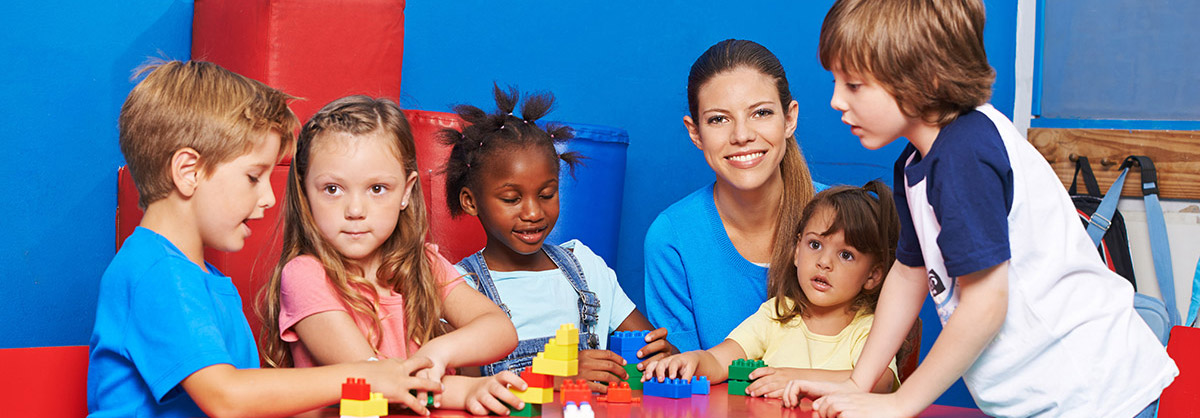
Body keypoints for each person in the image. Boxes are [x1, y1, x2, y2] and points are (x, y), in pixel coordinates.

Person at [783, 1, 1179, 417]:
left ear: (926, 78)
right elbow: (908, 273)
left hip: (1095, 396)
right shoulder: (916, 163)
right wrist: (856, 383)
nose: (835, 101)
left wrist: (901, 403)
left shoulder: (963, 153)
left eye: (854, 85)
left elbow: (987, 304)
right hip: (1044, 399)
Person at [88, 61, 442, 418]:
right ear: (188, 172)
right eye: (254, 177)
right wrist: (364, 375)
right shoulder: (158, 273)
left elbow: (255, 402)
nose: (269, 199)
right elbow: (227, 398)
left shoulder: (196, 276)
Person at [259, 95, 523, 416]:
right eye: (332, 189)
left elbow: (499, 329)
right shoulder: (305, 275)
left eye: (377, 189)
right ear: (305, 192)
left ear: (406, 192)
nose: (355, 210)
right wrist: (466, 389)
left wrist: (439, 352)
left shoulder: (423, 264)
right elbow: (375, 378)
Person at [444, 85, 676, 393]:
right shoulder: (460, 287)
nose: (533, 212)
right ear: (471, 201)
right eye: (512, 199)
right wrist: (556, 375)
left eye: (546, 195)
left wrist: (662, 359)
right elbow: (462, 389)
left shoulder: (584, 267)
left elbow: (651, 351)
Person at [645, 39, 825, 353]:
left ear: (790, 118)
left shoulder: (846, 219)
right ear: (695, 132)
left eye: (761, 113)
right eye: (719, 119)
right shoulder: (671, 238)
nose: (741, 135)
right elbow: (683, 378)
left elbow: (873, 369)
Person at [641, 181, 901, 398]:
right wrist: (693, 361)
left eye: (845, 254)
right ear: (797, 251)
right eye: (815, 245)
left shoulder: (869, 329)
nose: (824, 262)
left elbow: (880, 382)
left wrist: (797, 378)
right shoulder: (776, 314)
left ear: (873, 276)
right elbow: (722, 360)